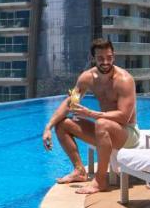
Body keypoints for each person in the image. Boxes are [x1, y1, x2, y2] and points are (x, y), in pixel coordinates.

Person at [41, 38, 138, 195]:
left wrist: (91, 114)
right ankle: (79, 171)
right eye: (100, 58)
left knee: (102, 123)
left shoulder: (124, 80)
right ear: (93, 58)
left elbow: (124, 117)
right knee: (63, 124)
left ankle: (100, 181)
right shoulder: (87, 78)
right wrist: (48, 127)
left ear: (113, 56)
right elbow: (70, 103)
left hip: (127, 133)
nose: (105, 62)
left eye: (109, 57)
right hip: (105, 130)